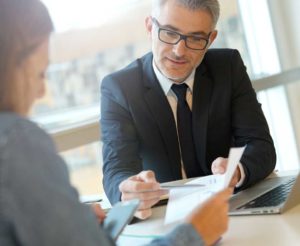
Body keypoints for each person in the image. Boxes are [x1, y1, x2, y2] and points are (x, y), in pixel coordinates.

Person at [0, 0, 232, 245]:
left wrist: (70, 224)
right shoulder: (16, 142)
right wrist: (195, 233)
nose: (40, 91)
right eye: (40, 73)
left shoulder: (227, 67)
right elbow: (116, 167)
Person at [101, 0, 276, 219]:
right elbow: (116, 169)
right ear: (150, 27)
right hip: (161, 217)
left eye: (195, 38)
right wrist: (127, 190)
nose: (179, 51)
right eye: (169, 33)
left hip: (229, 209)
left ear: (210, 39)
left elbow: (261, 146)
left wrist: (237, 170)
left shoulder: (228, 68)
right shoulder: (120, 88)